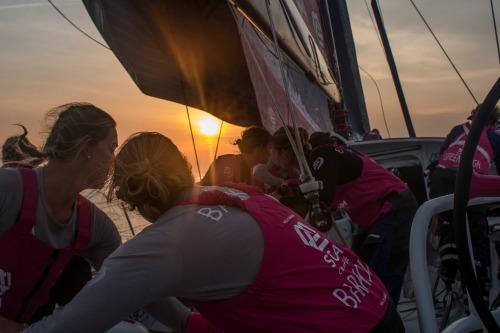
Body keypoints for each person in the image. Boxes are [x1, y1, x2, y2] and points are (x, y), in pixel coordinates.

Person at [11, 132, 404, 333]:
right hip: (379, 311)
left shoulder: (163, 243)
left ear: (128, 200)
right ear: (183, 165)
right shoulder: (237, 195)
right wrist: (185, 323)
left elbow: (69, 327)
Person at [0, 103, 121, 326]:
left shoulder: (95, 227)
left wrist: (187, 321)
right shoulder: (7, 190)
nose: (114, 160)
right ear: (86, 147)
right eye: (111, 148)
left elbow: (128, 279)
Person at [305, 135, 418, 304]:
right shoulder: (347, 160)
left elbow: (324, 198)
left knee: (380, 273)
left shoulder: (325, 155)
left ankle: (385, 313)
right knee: (359, 271)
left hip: (392, 209)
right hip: (378, 216)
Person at [429, 105, 500, 293]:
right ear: (494, 122)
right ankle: (478, 279)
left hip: (440, 178)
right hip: (469, 182)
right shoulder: (494, 137)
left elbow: (442, 153)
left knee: (449, 221)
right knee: (476, 227)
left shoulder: (459, 129)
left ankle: (449, 270)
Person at [199, 126, 271, 186]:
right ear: (259, 148)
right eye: (269, 148)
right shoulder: (225, 163)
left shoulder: (256, 176)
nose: (270, 153)